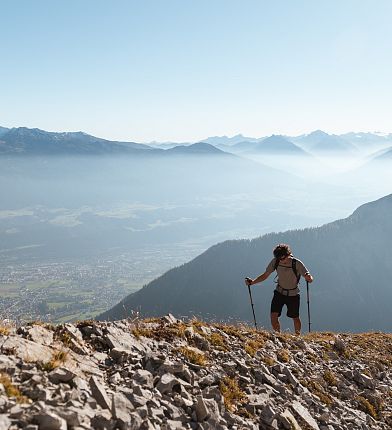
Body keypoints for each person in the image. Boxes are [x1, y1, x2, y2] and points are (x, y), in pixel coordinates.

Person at [245, 243, 313, 335]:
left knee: (295, 317)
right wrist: (252, 282)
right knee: (273, 316)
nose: (281, 260)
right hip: (279, 292)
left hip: (293, 294)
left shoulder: (296, 263)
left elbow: (308, 276)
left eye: (283, 258)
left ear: (288, 254)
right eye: (279, 258)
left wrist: (309, 278)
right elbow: (265, 275)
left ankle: (297, 336)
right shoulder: (275, 261)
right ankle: (278, 336)